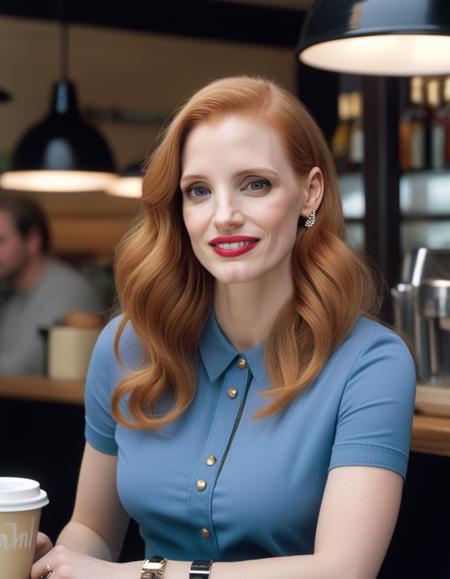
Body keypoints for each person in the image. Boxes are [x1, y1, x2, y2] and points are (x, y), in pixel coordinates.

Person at [32, 76, 416, 579]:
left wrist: (142, 575)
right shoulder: (127, 347)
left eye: (255, 184)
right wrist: (58, 563)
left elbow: (343, 570)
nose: (225, 216)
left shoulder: (372, 363)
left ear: (310, 193)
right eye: (198, 191)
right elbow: (95, 531)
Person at [0, 193, 103, 375]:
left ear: (33, 241)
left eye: (1, 241)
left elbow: (21, 370)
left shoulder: (68, 290)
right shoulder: (16, 293)